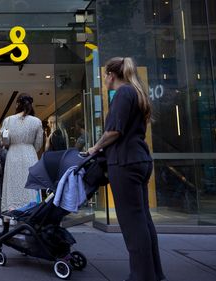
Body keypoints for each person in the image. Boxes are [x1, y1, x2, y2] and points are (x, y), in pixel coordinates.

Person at [88, 57, 165, 281]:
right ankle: (154, 273)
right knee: (143, 220)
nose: (103, 80)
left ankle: (141, 276)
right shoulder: (136, 92)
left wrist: (95, 147)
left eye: (104, 75)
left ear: (111, 75)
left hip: (125, 162)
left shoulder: (122, 94)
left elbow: (114, 131)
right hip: (139, 160)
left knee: (132, 224)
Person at [1, 93, 43, 212]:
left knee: (12, 185)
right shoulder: (37, 122)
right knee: (30, 185)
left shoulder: (8, 120)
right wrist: (30, 149)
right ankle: (31, 212)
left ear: (17, 104)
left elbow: (5, 141)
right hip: (30, 154)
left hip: (13, 154)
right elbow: (39, 144)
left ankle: (11, 212)